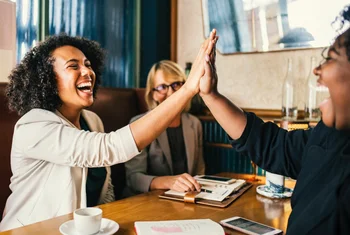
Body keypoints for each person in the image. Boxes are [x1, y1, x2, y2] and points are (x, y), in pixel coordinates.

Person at [0, 30, 217, 231]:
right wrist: (188, 89)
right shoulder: (33, 125)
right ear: (47, 80)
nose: (87, 71)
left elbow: (105, 189)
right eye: (73, 66)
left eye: (88, 64)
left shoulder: (92, 121)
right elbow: (109, 148)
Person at [198, 6, 350, 235]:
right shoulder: (329, 133)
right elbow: (274, 146)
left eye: (331, 59)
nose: (318, 70)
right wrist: (210, 96)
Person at [124, 60, 205, 196]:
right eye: (162, 87)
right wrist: (168, 182)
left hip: (186, 198)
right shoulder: (138, 124)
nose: (171, 93)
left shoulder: (194, 123)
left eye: (176, 84)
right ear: (153, 94)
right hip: (147, 200)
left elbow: (200, 171)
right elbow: (133, 178)